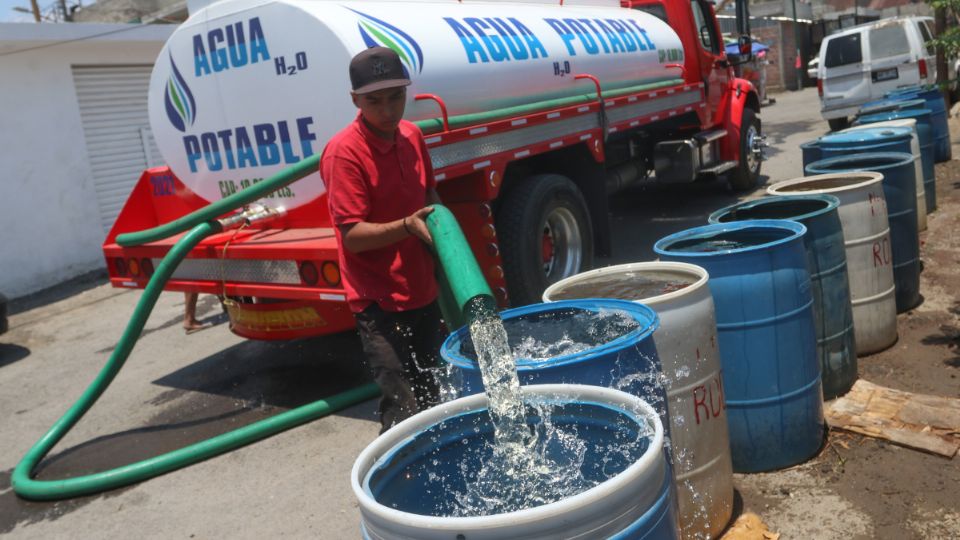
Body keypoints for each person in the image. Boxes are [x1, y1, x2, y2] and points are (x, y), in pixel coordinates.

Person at [320, 47, 446, 433]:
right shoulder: (344, 153)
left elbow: (431, 198)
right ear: (355, 100)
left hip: (422, 287)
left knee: (436, 392)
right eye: (374, 101)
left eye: (396, 97)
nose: (388, 111)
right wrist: (407, 226)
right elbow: (353, 237)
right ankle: (398, 488)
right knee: (402, 406)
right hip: (379, 300)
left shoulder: (411, 135)